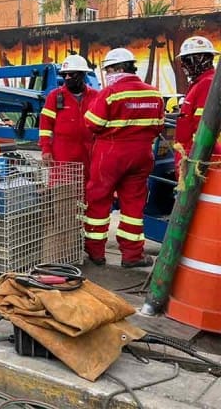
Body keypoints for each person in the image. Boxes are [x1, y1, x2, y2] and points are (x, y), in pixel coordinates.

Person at [83, 48, 164, 268]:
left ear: (119, 68)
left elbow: (92, 123)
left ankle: (95, 252)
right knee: (133, 207)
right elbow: (159, 127)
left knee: (98, 201)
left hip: (110, 154)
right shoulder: (154, 93)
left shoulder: (111, 93)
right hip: (142, 155)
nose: (108, 74)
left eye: (109, 69)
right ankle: (132, 255)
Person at [39, 55, 99, 186]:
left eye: (71, 74)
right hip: (62, 152)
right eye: (64, 74)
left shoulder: (95, 96)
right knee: (62, 190)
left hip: (89, 152)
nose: (66, 78)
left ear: (82, 75)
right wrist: (46, 149)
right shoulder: (54, 96)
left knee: (88, 188)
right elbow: (45, 125)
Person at [173, 36, 219, 170]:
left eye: (187, 60)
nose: (183, 65)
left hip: (198, 159)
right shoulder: (199, 83)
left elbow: (205, 127)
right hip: (191, 155)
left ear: (202, 60)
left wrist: (194, 160)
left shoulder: (207, 84)